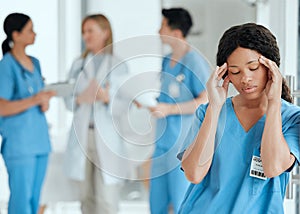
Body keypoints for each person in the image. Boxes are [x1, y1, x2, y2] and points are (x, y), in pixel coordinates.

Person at [178, 23, 300, 214]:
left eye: (253, 68)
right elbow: (194, 174)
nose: (245, 79)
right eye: (235, 71)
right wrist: (215, 107)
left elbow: (273, 167)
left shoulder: (291, 118)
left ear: (272, 67)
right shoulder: (207, 113)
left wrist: (274, 103)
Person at [147, 8, 211, 214]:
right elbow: (166, 96)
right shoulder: (166, 61)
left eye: (163, 25)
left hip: (183, 147)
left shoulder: (194, 62)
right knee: (156, 205)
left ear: (176, 32)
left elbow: (206, 99)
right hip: (161, 145)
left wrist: (170, 109)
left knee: (183, 204)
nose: (158, 30)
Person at [63, 14, 128, 214]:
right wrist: (81, 97)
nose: (86, 36)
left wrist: (107, 98)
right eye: (84, 32)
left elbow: (126, 105)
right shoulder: (78, 64)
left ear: (105, 32)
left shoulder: (118, 65)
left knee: (107, 199)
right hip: (83, 136)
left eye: (90, 31)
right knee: (86, 198)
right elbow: (67, 99)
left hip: (106, 136)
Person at [0, 13, 56, 213]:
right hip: (20, 145)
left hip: (40, 141)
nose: (35, 34)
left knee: (34, 201)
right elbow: (2, 107)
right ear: (16, 35)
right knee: (21, 203)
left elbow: (37, 99)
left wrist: (44, 101)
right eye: (30, 30)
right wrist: (34, 100)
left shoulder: (36, 63)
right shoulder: (6, 66)